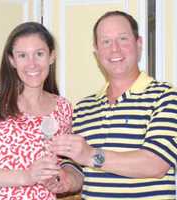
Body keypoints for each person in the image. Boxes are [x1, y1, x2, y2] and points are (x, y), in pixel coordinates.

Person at [47, 10, 177, 199]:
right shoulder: (84, 108)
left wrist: (91, 155)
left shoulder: (166, 96)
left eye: (123, 39)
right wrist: (67, 180)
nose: (114, 49)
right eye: (106, 41)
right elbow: (80, 168)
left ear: (138, 44)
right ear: (97, 51)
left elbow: (155, 164)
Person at [0, 21, 82, 199]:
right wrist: (26, 176)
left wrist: (62, 178)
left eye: (39, 54)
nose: (31, 64)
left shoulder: (63, 108)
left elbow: (67, 163)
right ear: (12, 60)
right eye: (22, 55)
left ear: (51, 57)